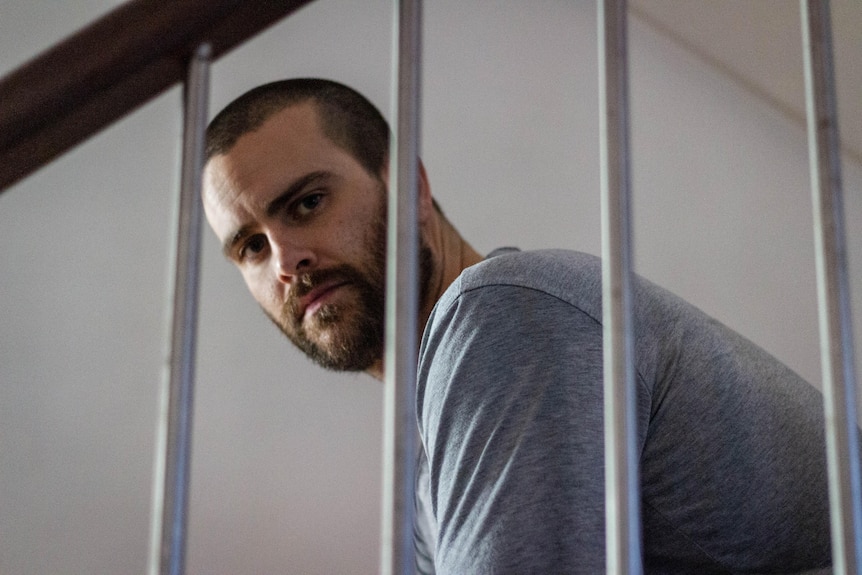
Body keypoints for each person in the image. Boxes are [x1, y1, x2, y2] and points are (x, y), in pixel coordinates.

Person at [202, 78, 838, 574]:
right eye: (252, 246)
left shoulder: (501, 314)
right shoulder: (424, 458)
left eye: (307, 203)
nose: (288, 262)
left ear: (411, 187)